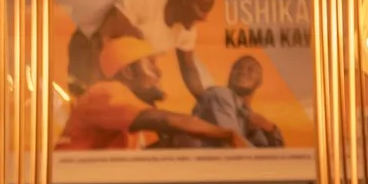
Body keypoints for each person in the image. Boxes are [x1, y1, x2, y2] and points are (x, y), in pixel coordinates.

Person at [59, 35, 248, 153]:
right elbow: (167, 120)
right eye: (150, 63)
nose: (158, 72)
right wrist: (226, 134)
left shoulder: (134, 114)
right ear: (128, 72)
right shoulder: (104, 92)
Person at [65, 0, 218, 99]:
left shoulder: (187, 29)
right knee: (91, 102)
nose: (202, 19)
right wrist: (99, 85)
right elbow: (104, 37)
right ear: (185, 3)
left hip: (124, 64)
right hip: (89, 45)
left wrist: (204, 98)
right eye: (200, 11)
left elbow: (189, 69)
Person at [156, 52, 284, 150]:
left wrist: (271, 129)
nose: (243, 71)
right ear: (230, 75)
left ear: (260, 82)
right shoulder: (221, 94)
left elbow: (280, 157)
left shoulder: (250, 117)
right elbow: (234, 144)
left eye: (251, 69)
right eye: (238, 68)